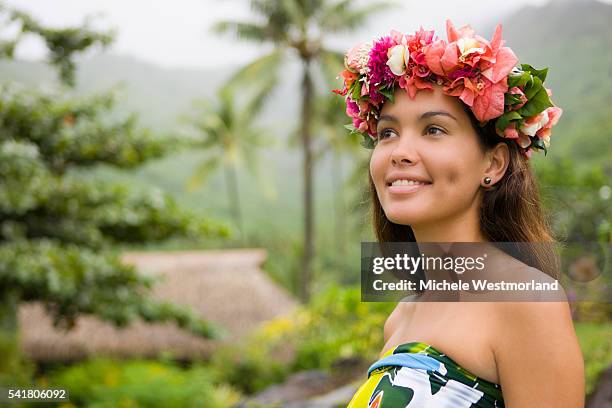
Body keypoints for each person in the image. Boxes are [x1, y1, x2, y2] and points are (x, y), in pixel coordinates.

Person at [334, 21, 585, 407]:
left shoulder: (528, 304)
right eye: (387, 133)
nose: (400, 152)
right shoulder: (402, 317)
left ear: (494, 163)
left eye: (433, 129)